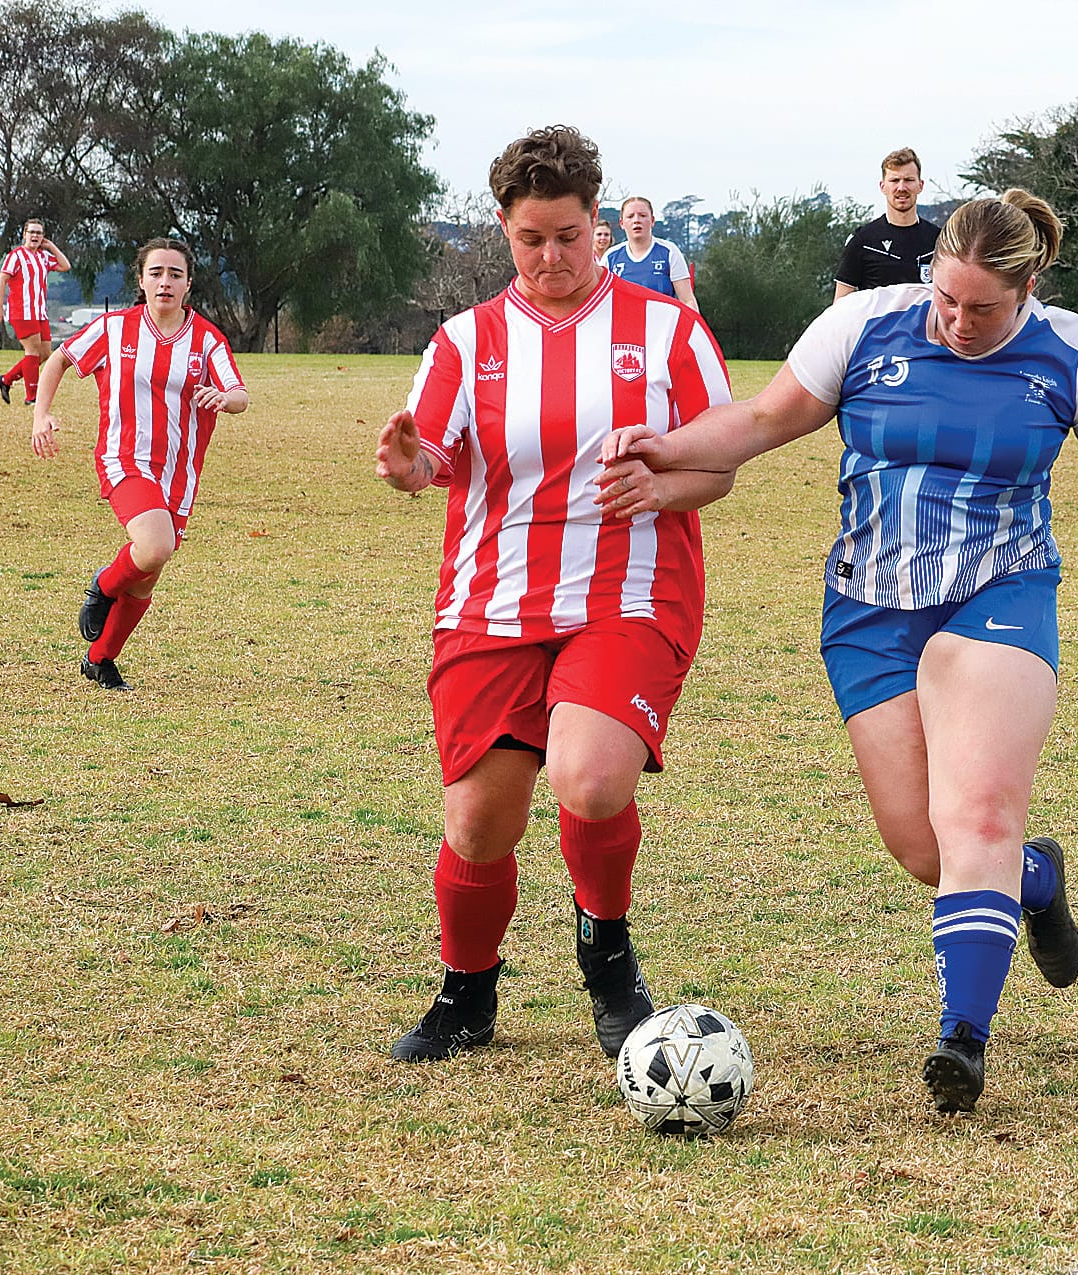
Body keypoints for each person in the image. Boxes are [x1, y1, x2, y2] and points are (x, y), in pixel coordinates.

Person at [602, 189, 1078, 1113]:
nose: (958, 320)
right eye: (946, 298)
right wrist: (664, 448)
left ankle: (962, 1039)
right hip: (867, 609)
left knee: (976, 814)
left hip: (1000, 590)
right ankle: (1034, 876)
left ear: (1028, 286)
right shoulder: (864, 325)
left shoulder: (1066, 351)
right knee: (925, 846)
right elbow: (758, 422)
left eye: (982, 307)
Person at [375, 125, 734, 1065]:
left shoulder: (666, 331)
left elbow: (718, 463)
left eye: (569, 236)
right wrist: (410, 467)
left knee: (590, 776)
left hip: (630, 592)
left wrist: (665, 483)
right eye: (531, 239)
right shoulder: (464, 340)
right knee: (480, 820)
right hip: (490, 601)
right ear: (504, 230)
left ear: (599, 223)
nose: (551, 257)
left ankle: (609, 964)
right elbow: (435, 456)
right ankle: (467, 996)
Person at [29, 238, 249, 691]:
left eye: (174, 274)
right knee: (153, 547)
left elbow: (240, 394)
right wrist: (41, 414)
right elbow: (58, 361)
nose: (164, 282)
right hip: (124, 458)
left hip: (179, 473)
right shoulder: (113, 329)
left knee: (148, 576)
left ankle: (99, 658)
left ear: (189, 284)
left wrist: (225, 399)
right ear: (141, 280)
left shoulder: (207, 339)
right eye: (156, 273)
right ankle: (103, 586)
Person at [833, 147, 940, 300]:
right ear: (883, 186)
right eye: (894, 180)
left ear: (920, 185)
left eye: (909, 180)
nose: (901, 188)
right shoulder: (863, 241)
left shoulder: (940, 241)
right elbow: (841, 307)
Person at [0, 218, 72, 406]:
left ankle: (6, 380)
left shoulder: (43, 256)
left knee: (45, 353)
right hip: (22, 311)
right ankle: (31, 396)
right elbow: (2, 279)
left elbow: (65, 266)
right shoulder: (16, 256)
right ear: (24, 234)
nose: (35, 236)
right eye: (32, 232)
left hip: (39, 312)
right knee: (32, 351)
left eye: (39, 233)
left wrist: (51, 246)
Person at [601, 196, 699, 311]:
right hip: (624, 327)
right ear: (622, 223)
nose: (636, 220)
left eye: (642, 215)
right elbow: (600, 301)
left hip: (662, 326)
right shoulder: (611, 257)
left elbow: (687, 300)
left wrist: (694, 326)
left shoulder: (669, 252)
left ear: (652, 221)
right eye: (630, 216)